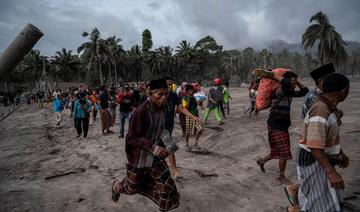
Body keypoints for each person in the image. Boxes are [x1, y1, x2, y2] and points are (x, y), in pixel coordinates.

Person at [111, 79, 180, 211]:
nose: (164, 97)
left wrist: (170, 146)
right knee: (131, 189)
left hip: (155, 158)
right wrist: (153, 148)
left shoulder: (162, 109)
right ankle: (117, 186)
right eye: (160, 94)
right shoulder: (141, 112)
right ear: (151, 93)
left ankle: (164, 208)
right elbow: (132, 138)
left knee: (167, 187)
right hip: (139, 158)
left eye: (166, 94)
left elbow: (161, 129)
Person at [284, 63, 336, 210]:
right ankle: (295, 202)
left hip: (316, 139)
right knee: (315, 185)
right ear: (321, 82)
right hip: (314, 142)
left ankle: (295, 192)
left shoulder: (318, 95)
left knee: (315, 182)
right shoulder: (315, 98)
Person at [295, 73, 350, 212]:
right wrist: (331, 171)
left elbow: (327, 136)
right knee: (318, 204)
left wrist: (339, 153)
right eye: (348, 89)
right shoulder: (321, 111)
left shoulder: (329, 107)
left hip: (320, 158)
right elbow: (314, 145)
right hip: (312, 159)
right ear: (343, 91)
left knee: (327, 199)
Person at [256, 70, 309, 184]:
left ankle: (262, 161)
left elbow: (305, 91)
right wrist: (276, 76)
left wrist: (297, 81)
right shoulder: (279, 91)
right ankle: (281, 176)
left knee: (277, 150)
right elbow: (285, 84)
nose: (294, 85)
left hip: (280, 124)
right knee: (284, 152)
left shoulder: (289, 92)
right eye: (293, 82)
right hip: (276, 124)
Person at [164, 77, 182, 179]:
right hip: (161, 127)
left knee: (166, 147)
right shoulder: (159, 96)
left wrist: (191, 116)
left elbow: (180, 108)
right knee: (170, 147)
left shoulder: (174, 96)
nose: (169, 86)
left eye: (171, 84)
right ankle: (175, 170)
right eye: (167, 84)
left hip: (170, 125)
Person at [182, 84, 204, 151]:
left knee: (200, 128)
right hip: (189, 116)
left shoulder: (195, 97)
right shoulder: (184, 98)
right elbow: (185, 108)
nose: (192, 91)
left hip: (196, 116)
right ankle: (186, 144)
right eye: (190, 90)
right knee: (188, 131)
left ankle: (195, 144)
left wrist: (201, 100)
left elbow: (200, 105)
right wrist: (189, 98)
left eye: (192, 90)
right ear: (187, 91)